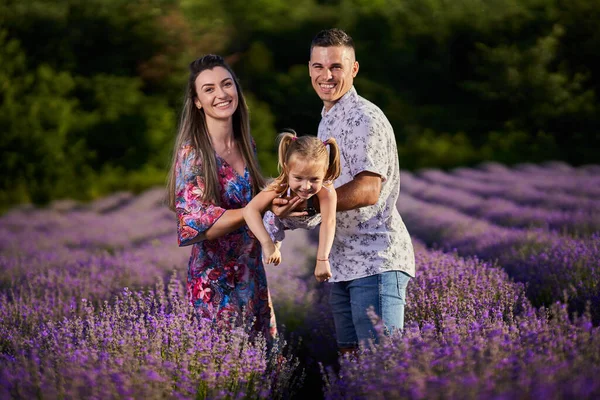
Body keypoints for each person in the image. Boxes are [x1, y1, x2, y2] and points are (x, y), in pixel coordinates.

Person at [275, 28, 416, 353]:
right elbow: (326, 189)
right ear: (309, 68)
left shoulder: (363, 118)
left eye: (336, 66)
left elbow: (368, 190)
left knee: (380, 366)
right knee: (354, 368)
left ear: (353, 69)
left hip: (375, 262)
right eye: (318, 66)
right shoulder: (328, 121)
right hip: (343, 263)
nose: (326, 75)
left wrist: (309, 207)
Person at [167, 54, 277, 342]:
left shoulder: (246, 143)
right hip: (215, 288)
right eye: (209, 89)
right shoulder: (193, 154)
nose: (221, 94)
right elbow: (191, 227)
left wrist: (283, 202)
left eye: (226, 84)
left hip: (252, 275)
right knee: (226, 370)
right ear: (197, 102)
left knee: (263, 368)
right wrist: (254, 207)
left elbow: (257, 207)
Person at [243, 130, 341, 283]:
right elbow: (250, 210)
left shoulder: (327, 190)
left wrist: (322, 259)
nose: (306, 186)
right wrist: (268, 243)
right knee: (261, 251)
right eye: (298, 178)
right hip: (279, 221)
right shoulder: (280, 185)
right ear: (287, 170)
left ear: (325, 173)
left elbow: (329, 222)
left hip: (311, 220)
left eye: (314, 179)